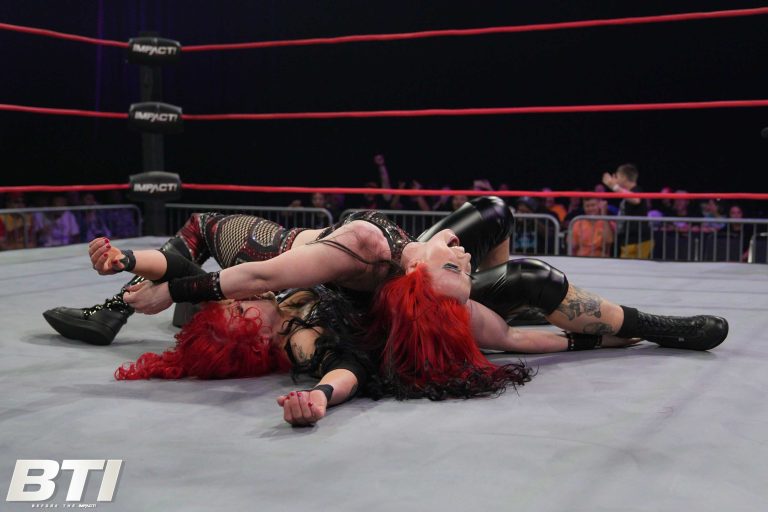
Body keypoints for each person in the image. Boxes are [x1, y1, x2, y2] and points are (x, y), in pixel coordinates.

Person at [45, 198, 729, 423]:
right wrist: (151, 278)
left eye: (457, 261)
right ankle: (115, 307)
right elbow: (260, 279)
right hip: (297, 274)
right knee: (526, 275)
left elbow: (248, 282)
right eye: (456, 259)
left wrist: (141, 267)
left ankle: (123, 301)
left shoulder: (395, 266)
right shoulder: (359, 256)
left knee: (504, 233)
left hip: (311, 281)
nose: (458, 249)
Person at [602, 164, 652, 258]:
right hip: (629, 240)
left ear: (624, 177)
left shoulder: (637, 190)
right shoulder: (627, 193)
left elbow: (636, 199)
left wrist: (614, 186)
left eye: (617, 176)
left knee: (637, 267)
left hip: (638, 241)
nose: (616, 179)